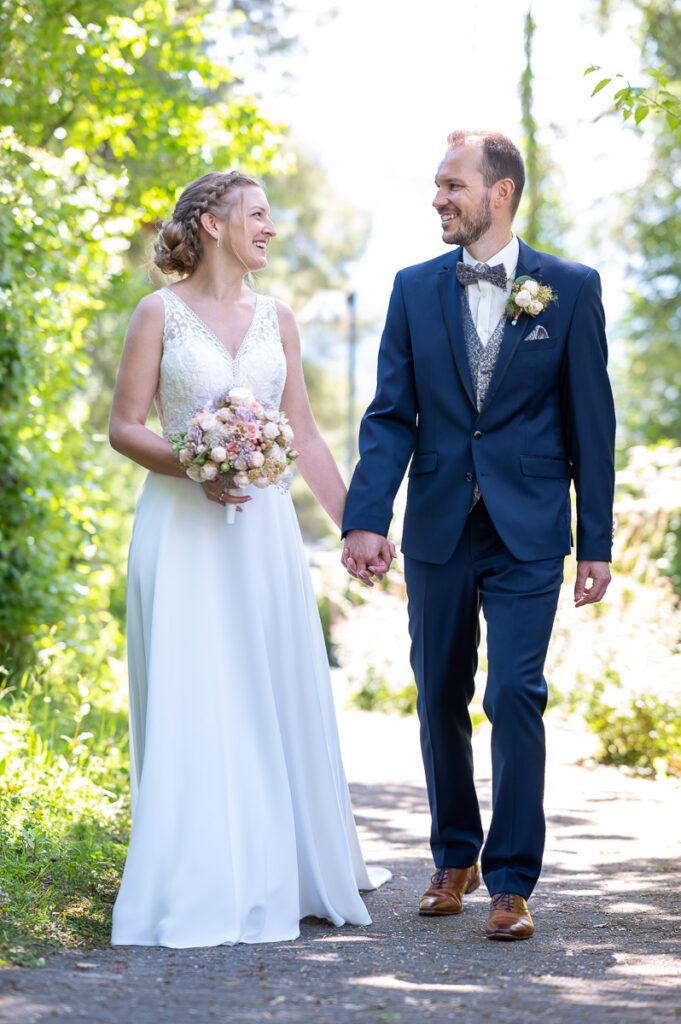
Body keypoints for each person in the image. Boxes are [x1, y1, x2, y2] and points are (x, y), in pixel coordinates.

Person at [341, 131, 615, 941]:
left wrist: (593, 541)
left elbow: (591, 425)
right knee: (439, 695)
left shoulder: (569, 287)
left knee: (514, 693)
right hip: (436, 524)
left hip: (529, 527)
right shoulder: (411, 288)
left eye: (451, 185)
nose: (438, 198)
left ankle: (511, 881)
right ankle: (452, 858)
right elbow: (390, 415)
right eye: (434, 186)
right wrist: (365, 517)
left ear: (498, 193)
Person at [109, 170, 389, 948]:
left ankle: (283, 862)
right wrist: (197, 466)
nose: (270, 228)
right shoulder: (155, 314)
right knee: (197, 687)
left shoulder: (278, 319)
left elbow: (301, 432)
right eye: (258, 214)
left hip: (262, 536)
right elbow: (126, 427)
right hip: (182, 528)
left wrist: (355, 527)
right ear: (209, 222)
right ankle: (197, 869)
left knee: (268, 687)